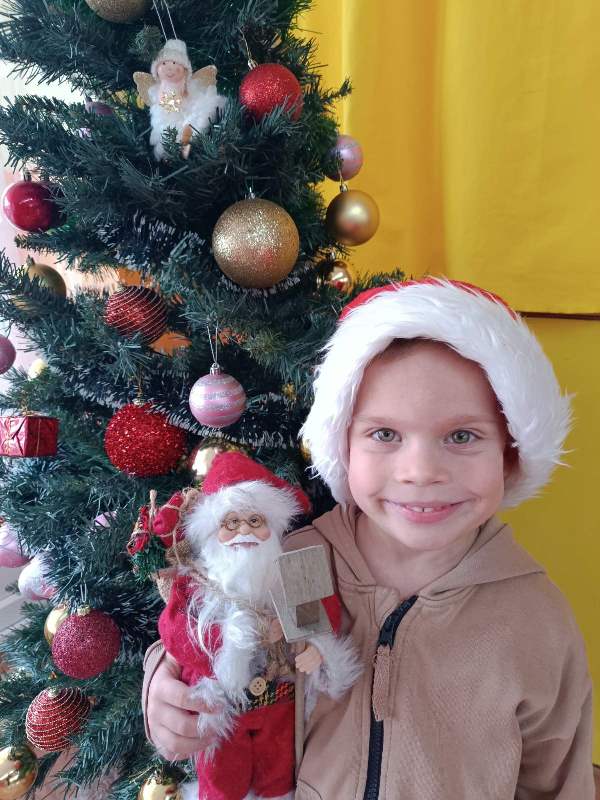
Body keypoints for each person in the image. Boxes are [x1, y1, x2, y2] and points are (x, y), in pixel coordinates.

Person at [143, 278, 594, 799]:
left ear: (509, 454)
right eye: (385, 434)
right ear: (344, 445)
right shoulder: (288, 563)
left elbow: (557, 781)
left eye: (462, 436)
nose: (420, 471)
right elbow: (205, 639)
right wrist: (162, 687)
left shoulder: (536, 618)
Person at [156, 451, 360, 800]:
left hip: (279, 705)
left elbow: (320, 618)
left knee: (278, 777)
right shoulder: (195, 586)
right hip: (222, 710)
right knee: (222, 780)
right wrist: (234, 639)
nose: (244, 531)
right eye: (231, 523)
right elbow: (176, 633)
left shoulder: (293, 573)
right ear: (212, 531)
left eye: (255, 520)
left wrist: (316, 649)